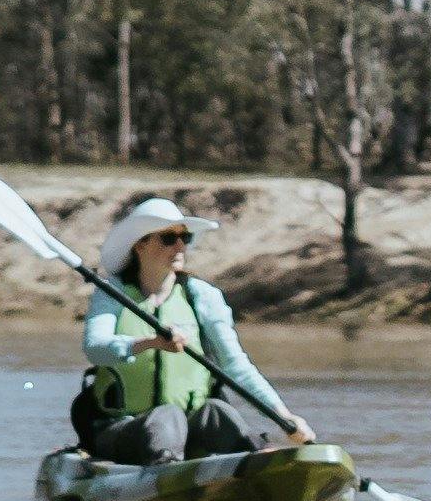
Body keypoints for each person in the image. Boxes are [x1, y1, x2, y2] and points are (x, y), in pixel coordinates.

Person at [73, 196, 314, 466]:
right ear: (140, 245)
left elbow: (236, 366)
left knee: (217, 411)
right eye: (167, 238)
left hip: (190, 428)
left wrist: (283, 415)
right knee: (167, 416)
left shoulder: (202, 296)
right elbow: (95, 348)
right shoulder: (111, 294)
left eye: (184, 238)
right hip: (123, 429)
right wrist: (150, 343)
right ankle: (165, 471)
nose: (180, 246)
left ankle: (255, 456)